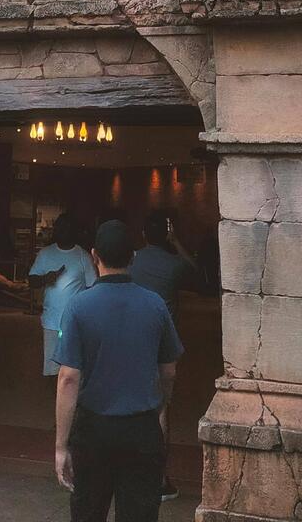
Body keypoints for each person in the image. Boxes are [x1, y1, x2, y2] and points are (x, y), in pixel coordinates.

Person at [54, 219, 182, 522]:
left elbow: (68, 378)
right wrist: (160, 404)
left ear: (94, 256)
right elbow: (169, 370)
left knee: (88, 511)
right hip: (141, 427)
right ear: (133, 257)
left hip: (93, 428)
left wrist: (61, 445)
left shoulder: (78, 306)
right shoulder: (155, 304)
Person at [130, 212, 199, 501]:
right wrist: (177, 242)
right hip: (163, 344)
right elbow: (197, 272)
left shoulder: (133, 260)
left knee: (130, 404)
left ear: (144, 234)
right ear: (166, 234)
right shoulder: (173, 264)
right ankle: (158, 479)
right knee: (160, 408)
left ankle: (129, 472)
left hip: (133, 340)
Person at [29, 213, 97, 377]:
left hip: (76, 323)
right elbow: (31, 280)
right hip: (52, 321)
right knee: (52, 370)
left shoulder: (83, 256)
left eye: (67, 228)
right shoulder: (45, 254)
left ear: (74, 231)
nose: (63, 232)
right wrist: (45, 278)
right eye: (60, 228)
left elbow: (92, 288)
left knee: (74, 369)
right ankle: (53, 394)